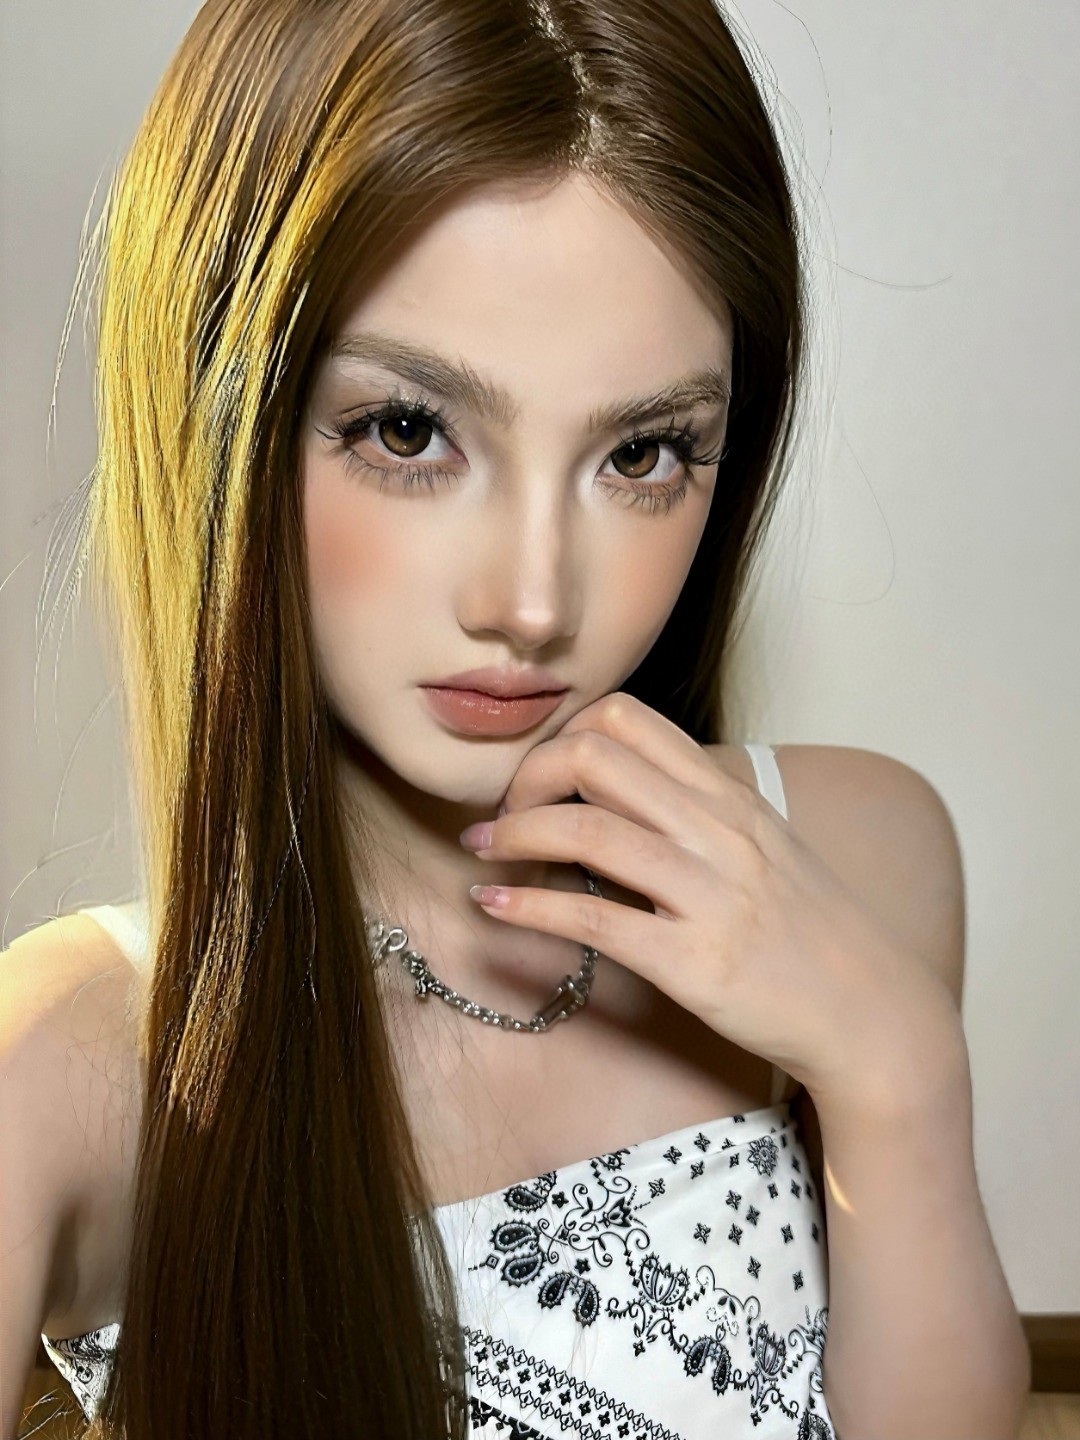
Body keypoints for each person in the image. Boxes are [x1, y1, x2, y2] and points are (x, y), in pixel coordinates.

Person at [2, 0, 1030, 1437]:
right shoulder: (72, 1064)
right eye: (409, 432)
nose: (535, 601)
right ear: (217, 413)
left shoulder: (853, 852)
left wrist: (896, 1073)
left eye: (643, 452)